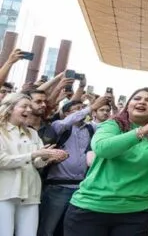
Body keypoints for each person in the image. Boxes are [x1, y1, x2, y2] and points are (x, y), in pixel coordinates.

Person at [63, 88, 148, 235]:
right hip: (90, 208)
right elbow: (103, 149)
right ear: (128, 105)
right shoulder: (112, 125)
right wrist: (143, 130)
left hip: (135, 213)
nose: (142, 102)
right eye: (137, 98)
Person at [38, 95, 112, 236]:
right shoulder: (59, 126)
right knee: (47, 229)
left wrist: (112, 105)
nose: (81, 112)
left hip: (80, 188)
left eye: (83, 108)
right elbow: (68, 122)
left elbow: (110, 123)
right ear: (66, 114)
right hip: (57, 188)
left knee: (70, 230)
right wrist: (90, 107)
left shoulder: (91, 128)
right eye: (77, 109)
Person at [0, 93, 68, 236]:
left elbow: (36, 163)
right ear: (10, 108)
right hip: (5, 193)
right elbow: (2, 160)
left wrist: (48, 157)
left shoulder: (32, 133)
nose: (29, 110)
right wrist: (34, 155)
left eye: (30, 107)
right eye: (24, 106)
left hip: (30, 193)